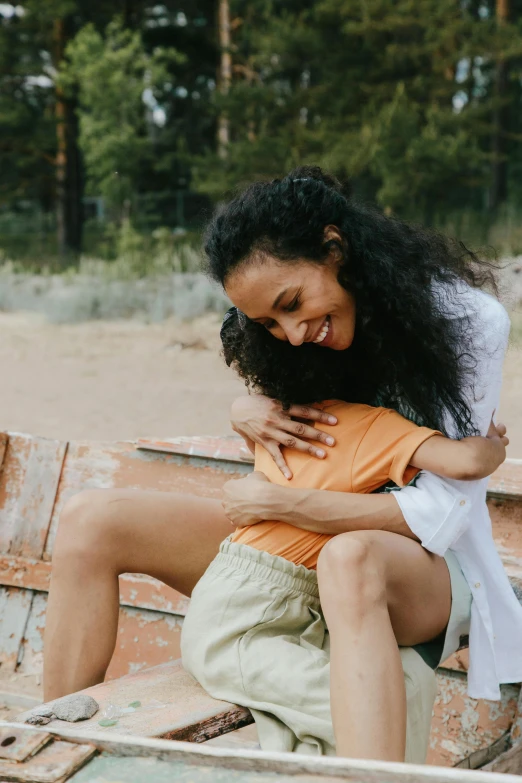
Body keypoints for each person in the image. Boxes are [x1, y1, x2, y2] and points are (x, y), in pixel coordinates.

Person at [43, 166, 522, 762]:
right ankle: (53, 751)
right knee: (93, 518)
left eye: (293, 304)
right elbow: (306, 454)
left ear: (335, 247)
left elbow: (442, 511)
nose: (293, 335)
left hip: (415, 571)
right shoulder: (291, 337)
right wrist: (247, 409)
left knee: (350, 558)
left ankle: (371, 774)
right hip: (291, 562)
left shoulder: (467, 322)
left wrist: (282, 504)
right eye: (268, 322)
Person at [181, 398, 507, 761]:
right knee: (373, 703)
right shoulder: (326, 419)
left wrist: (271, 491)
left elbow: (461, 473)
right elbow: (467, 462)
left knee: (369, 704)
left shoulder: (322, 420)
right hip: (247, 600)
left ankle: (375, 758)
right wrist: (493, 444)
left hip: (287, 584)